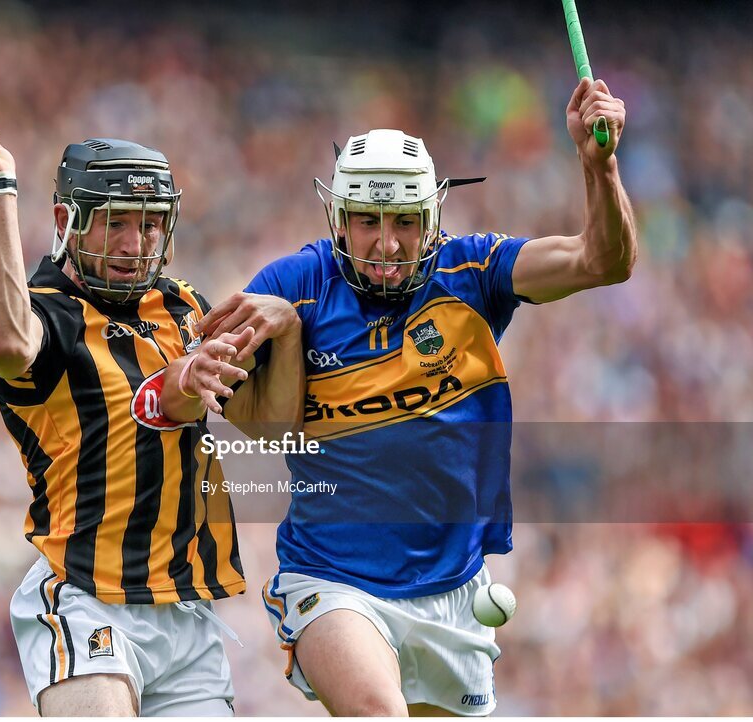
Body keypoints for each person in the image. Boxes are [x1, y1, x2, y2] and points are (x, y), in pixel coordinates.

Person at [168, 77, 636, 715]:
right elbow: (268, 429)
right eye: (368, 221)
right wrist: (266, 337)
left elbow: (602, 262)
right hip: (333, 580)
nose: (387, 244)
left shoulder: (475, 273)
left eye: (405, 223)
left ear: (434, 218)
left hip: (455, 590)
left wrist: (599, 166)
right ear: (339, 217)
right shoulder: (292, 284)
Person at [0, 129, 267, 716]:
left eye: (150, 224)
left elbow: (278, 406)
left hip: (188, 614)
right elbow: (2, 342)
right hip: (85, 598)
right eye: (115, 222)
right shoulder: (44, 310)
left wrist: (280, 311)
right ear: (66, 220)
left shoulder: (183, 306)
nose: (135, 243)